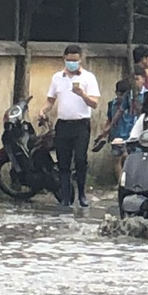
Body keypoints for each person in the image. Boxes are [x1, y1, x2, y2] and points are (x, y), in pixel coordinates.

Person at [40, 43, 100, 213]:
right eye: (68, 60)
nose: (71, 63)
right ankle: (65, 196)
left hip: (81, 124)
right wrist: (43, 110)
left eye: (75, 60)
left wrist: (82, 94)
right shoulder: (57, 78)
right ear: (64, 59)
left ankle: (82, 194)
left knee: (80, 160)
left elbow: (94, 103)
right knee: (63, 161)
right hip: (63, 124)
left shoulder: (89, 78)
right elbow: (50, 100)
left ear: (81, 60)